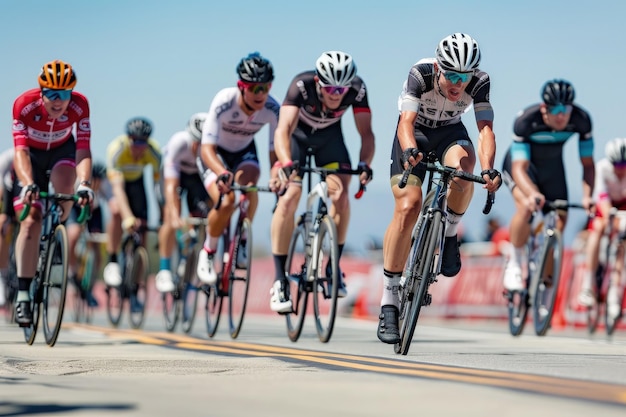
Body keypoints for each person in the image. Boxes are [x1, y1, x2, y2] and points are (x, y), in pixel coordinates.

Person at [377, 33, 501, 344]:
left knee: (464, 168)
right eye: (452, 75)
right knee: (408, 207)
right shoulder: (421, 74)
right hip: (415, 133)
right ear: (438, 66)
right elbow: (406, 122)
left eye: (465, 76)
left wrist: (488, 169)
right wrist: (407, 151)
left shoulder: (480, 81)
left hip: (449, 133)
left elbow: (485, 129)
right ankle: (390, 300)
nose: (458, 83)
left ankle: (448, 234)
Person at [270, 50, 375, 313]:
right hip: (298, 140)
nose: (336, 94)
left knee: (340, 195)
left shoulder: (357, 89)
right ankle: (280, 280)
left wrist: (364, 164)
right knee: (290, 196)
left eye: (342, 89)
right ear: (318, 81)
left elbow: (367, 134)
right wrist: (284, 163)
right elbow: (283, 130)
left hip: (330, 142)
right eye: (330, 87)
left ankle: (333, 265)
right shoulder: (301, 86)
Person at [11, 60, 94, 326]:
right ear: (42, 91)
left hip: (61, 151)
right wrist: (27, 183)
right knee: (30, 220)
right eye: (53, 95)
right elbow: (20, 151)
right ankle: (23, 294)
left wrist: (85, 184)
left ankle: (55, 231)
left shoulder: (80, 106)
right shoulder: (24, 105)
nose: (60, 102)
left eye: (66, 94)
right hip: (31, 158)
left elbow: (83, 149)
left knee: (66, 187)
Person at [501, 79, 594, 292]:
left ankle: (544, 275)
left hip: (552, 170)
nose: (561, 115)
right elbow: (519, 168)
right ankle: (514, 261)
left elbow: (587, 165)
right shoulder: (526, 121)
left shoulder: (581, 120)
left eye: (566, 109)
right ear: (544, 108)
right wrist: (533, 193)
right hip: (522, 168)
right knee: (527, 206)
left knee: (560, 221)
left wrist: (588, 196)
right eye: (556, 109)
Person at [196, 52, 279, 286]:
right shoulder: (224, 101)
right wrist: (221, 172)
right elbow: (206, 149)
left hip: (244, 151)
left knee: (250, 189)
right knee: (227, 200)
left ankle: (242, 240)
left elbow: (275, 153)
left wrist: (276, 175)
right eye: (255, 88)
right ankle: (208, 251)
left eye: (266, 87)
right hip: (216, 154)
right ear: (241, 87)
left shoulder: (272, 109)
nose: (261, 94)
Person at [103, 117, 161, 298]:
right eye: (135, 141)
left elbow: (157, 186)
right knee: (116, 212)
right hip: (119, 184)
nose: (139, 146)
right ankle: (112, 261)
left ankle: (136, 284)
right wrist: (127, 217)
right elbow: (118, 190)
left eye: (143, 142)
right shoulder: (116, 150)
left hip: (137, 183)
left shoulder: (153, 152)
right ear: (128, 139)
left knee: (142, 230)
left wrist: (161, 214)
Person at [154, 113, 212, 293]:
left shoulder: (213, 148)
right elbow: (171, 187)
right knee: (170, 219)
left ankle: (194, 255)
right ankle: (164, 270)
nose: (199, 146)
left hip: (196, 178)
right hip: (173, 176)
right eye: (196, 141)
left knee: (204, 216)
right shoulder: (179, 143)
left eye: (203, 143)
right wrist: (174, 214)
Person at [577, 138, 626, 319]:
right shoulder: (602, 168)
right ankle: (588, 284)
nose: (621, 168)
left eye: (624, 164)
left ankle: (615, 291)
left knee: (623, 241)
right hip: (607, 204)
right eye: (617, 164)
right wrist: (609, 219)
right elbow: (603, 203)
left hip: (623, 204)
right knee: (598, 227)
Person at [66, 162, 111, 307]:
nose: (96, 184)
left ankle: (90, 285)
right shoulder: (79, 180)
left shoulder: (105, 184)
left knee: (97, 246)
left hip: (94, 211)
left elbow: (112, 202)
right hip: (76, 207)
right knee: (73, 234)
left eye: (98, 181)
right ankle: (72, 271)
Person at [0, 148, 15, 307]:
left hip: (28, 193)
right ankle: (2, 276)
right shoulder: (7, 158)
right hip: (8, 193)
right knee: (3, 226)